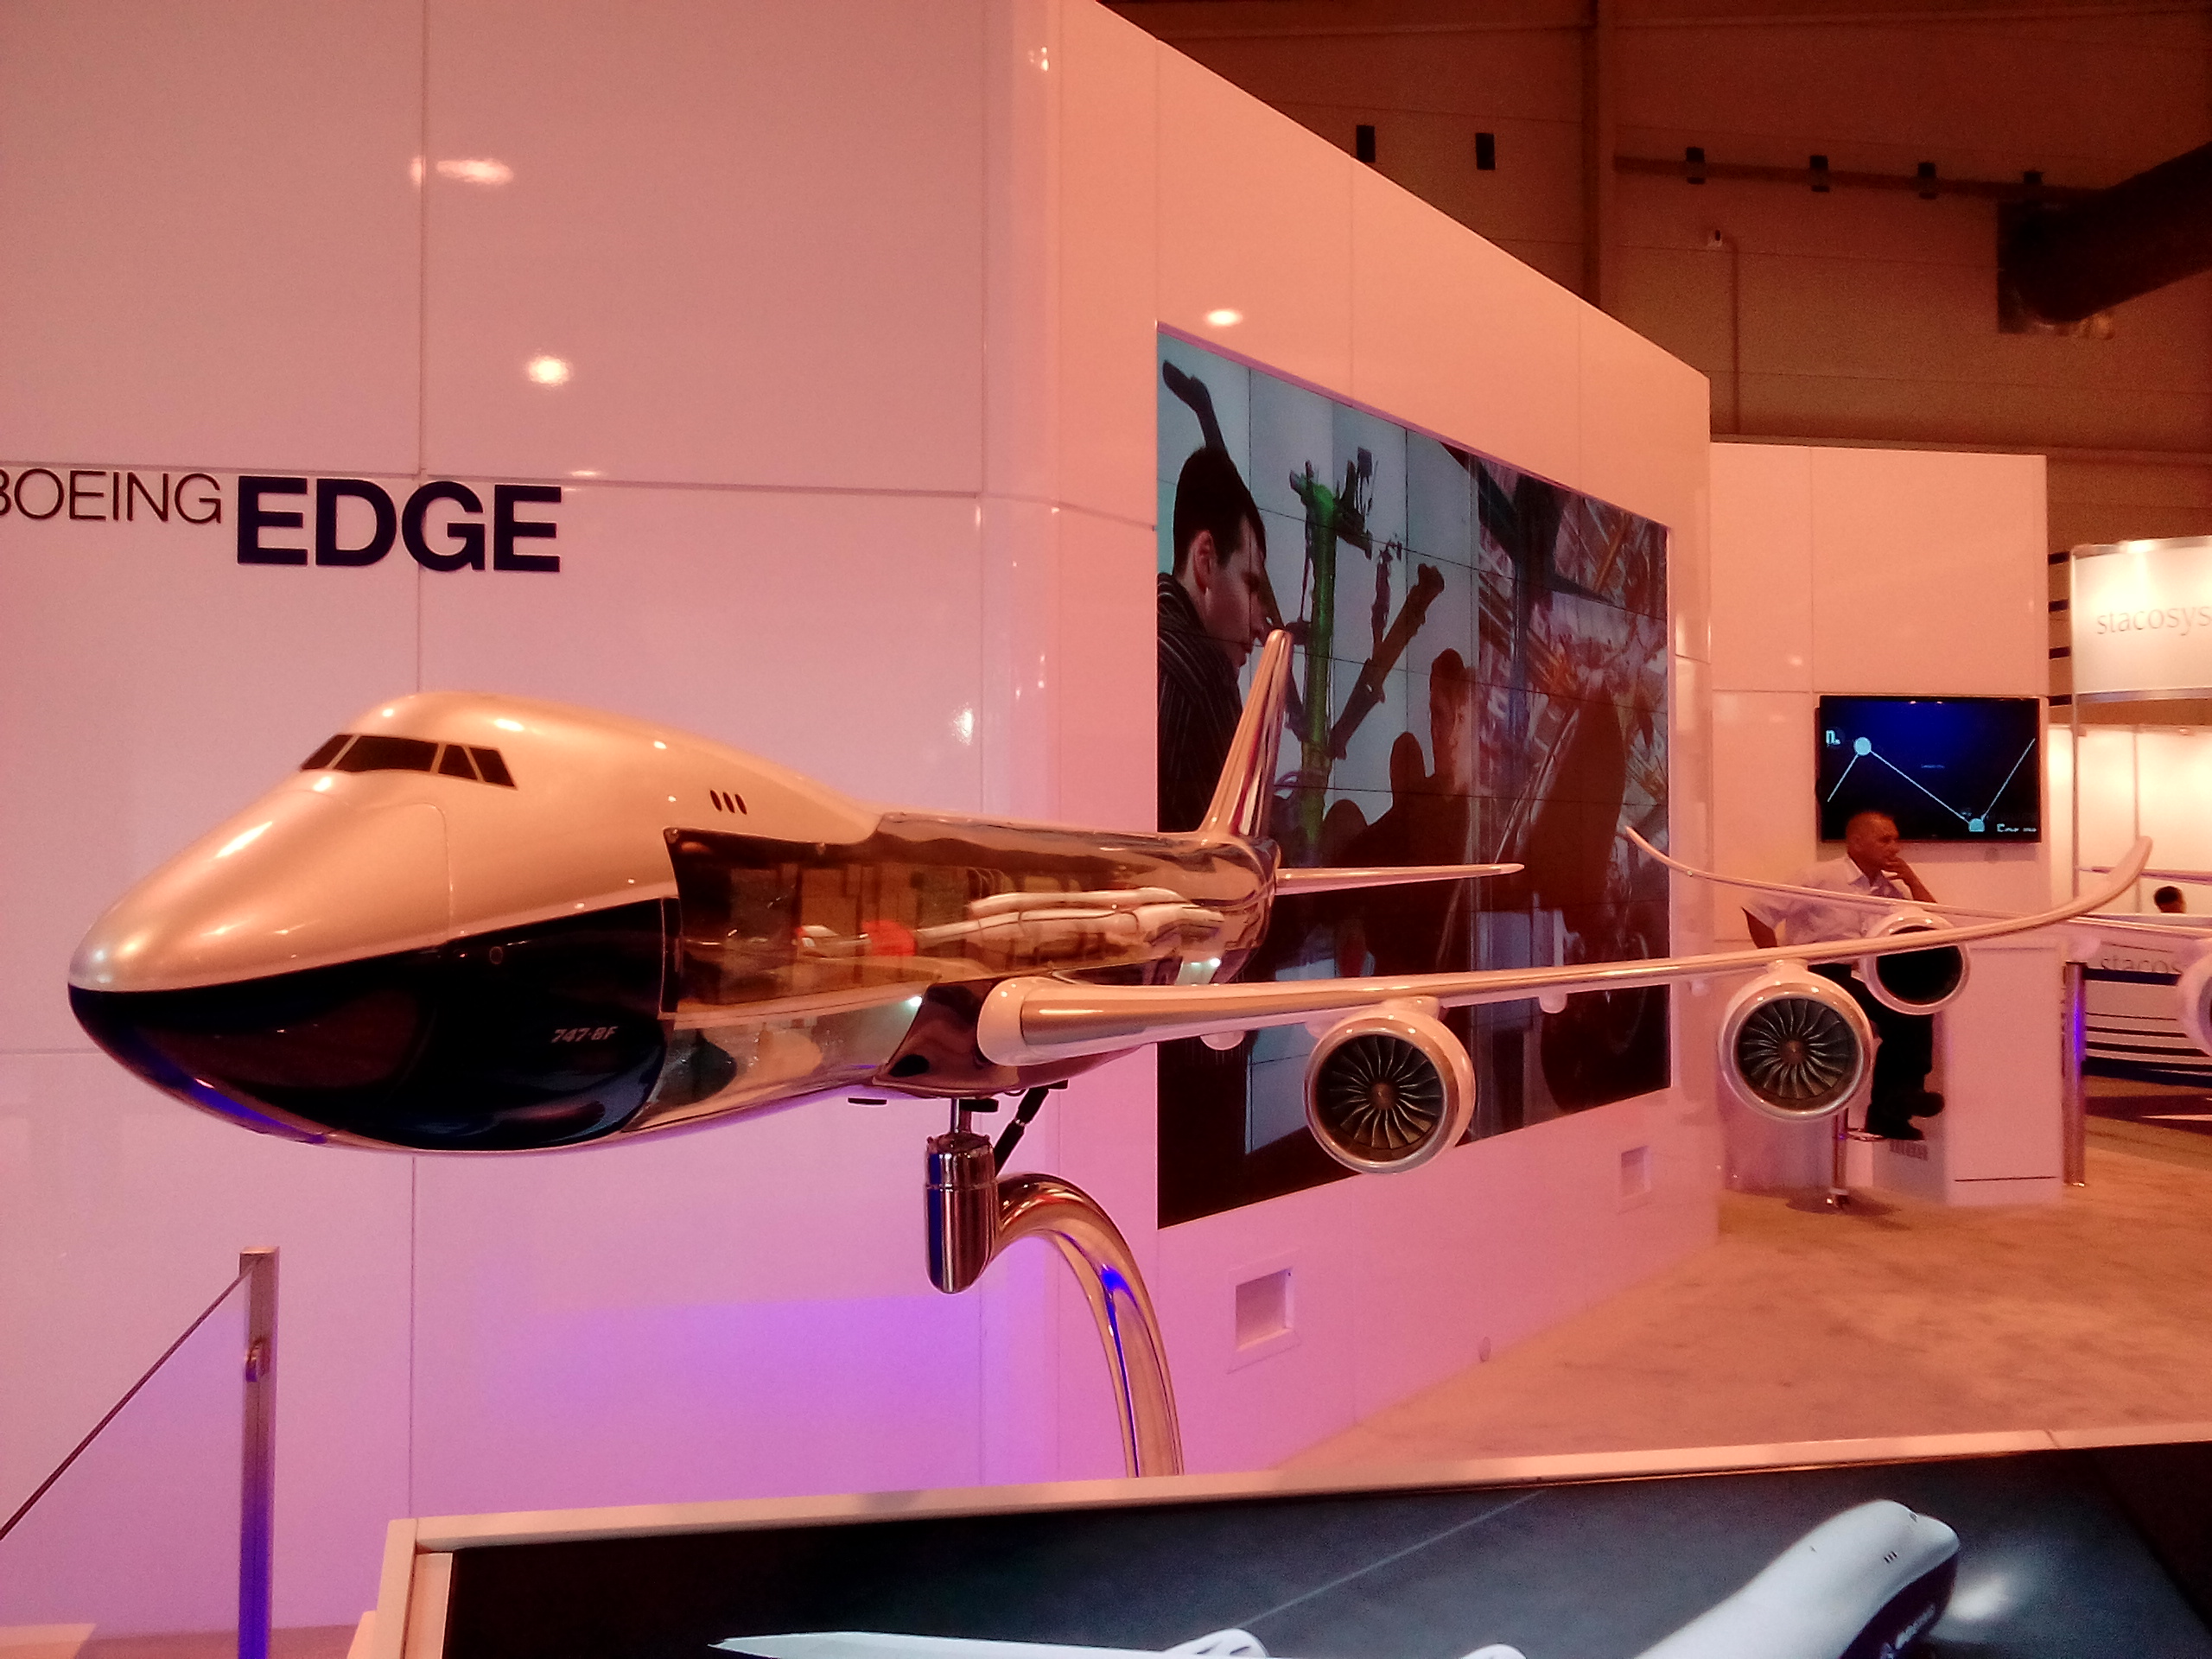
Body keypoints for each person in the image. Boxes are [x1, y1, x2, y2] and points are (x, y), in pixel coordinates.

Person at [1743, 810, 1944, 1141]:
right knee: (1897, 1011)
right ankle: (1895, 1103)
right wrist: (1778, 965)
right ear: (1856, 842)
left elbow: (1937, 927)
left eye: (1896, 840)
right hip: (1822, 972)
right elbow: (1758, 910)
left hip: (1868, 975)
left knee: (1914, 1006)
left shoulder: (1890, 890)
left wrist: (1913, 881)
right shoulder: (1819, 877)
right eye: (1885, 840)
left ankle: (1895, 1107)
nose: (1895, 848)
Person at [1158, 447, 1270, 833]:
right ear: (1205, 559)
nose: (1260, 625)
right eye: (1251, 585)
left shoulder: (1134, 641)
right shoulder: (1206, 676)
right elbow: (1239, 856)